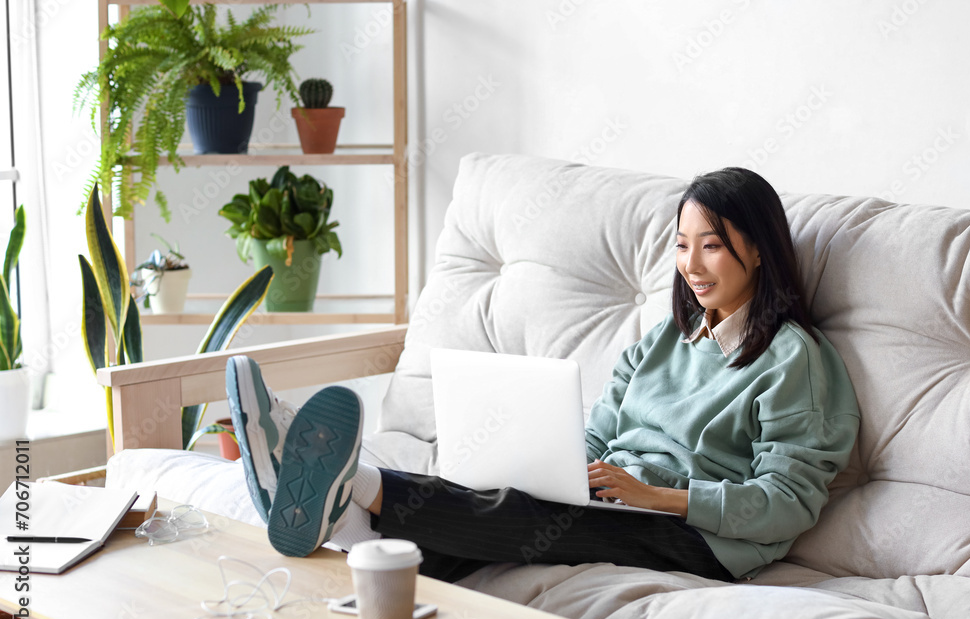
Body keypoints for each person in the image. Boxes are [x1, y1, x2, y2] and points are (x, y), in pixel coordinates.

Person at [225, 167, 860, 583]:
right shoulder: (667, 337)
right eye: (681, 243)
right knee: (508, 505)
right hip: (619, 493)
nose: (691, 264)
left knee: (519, 519)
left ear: (759, 248)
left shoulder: (793, 359)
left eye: (712, 244)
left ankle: (354, 488)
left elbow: (787, 505)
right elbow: (601, 428)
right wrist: (550, 467)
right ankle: (348, 524)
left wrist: (656, 497)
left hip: (698, 537)